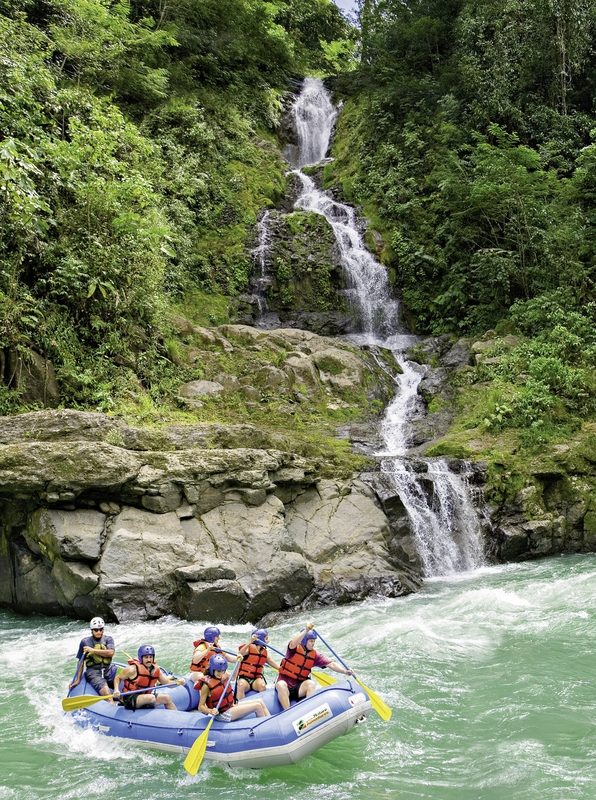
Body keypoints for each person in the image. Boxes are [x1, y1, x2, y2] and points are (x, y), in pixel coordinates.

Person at [275, 621, 353, 710]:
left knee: (311, 684)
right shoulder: (293, 650)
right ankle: (287, 711)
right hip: (285, 683)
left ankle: (309, 710)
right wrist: (306, 630)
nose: (313, 643)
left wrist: (345, 671)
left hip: (299, 687)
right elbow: (293, 643)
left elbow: (331, 664)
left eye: (314, 641)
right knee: (281, 685)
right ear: (304, 641)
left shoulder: (314, 655)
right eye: (311, 641)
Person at [197, 654, 270, 721]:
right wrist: (211, 711)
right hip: (222, 714)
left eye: (223, 671)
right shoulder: (206, 685)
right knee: (257, 706)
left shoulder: (223, 675)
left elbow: (233, 677)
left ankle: (270, 722)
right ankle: (265, 729)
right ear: (212, 669)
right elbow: (201, 707)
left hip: (231, 706)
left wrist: (238, 663)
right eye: (218, 671)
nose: (221, 673)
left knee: (260, 701)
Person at [113, 645, 185, 710]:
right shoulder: (132, 669)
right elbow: (117, 678)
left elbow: (167, 683)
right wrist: (116, 690)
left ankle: (175, 718)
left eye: (151, 657)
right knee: (151, 698)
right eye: (146, 657)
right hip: (130, 698)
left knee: (167, 698)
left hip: (145, 696)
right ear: (141, 658)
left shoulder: (156, 670)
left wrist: (178, 683)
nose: (149, 660)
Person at [74, 616, 116, 701]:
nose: (99, 632)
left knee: (121, 690)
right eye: (96, 630)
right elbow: (81, 661)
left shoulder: (108, 639)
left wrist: (92, 650)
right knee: (108, 695)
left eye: (101, 629)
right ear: (92, 631)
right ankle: (111, 706)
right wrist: (78, 679)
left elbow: (111, 652)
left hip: (107, 670)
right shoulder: (85, 642)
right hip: (93, 672)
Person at [236, 628, 279, 700]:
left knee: (262, 685)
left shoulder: (264, 652)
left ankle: (262, 704)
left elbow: (272, 662)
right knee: (241, 685)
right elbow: (240, 653)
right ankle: (241, 705)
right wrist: (250, 642)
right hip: (245, 678)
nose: (268, 640)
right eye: (266, 638)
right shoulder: (249, 648)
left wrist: (281, 668)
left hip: (256, 679)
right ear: (262, 639)